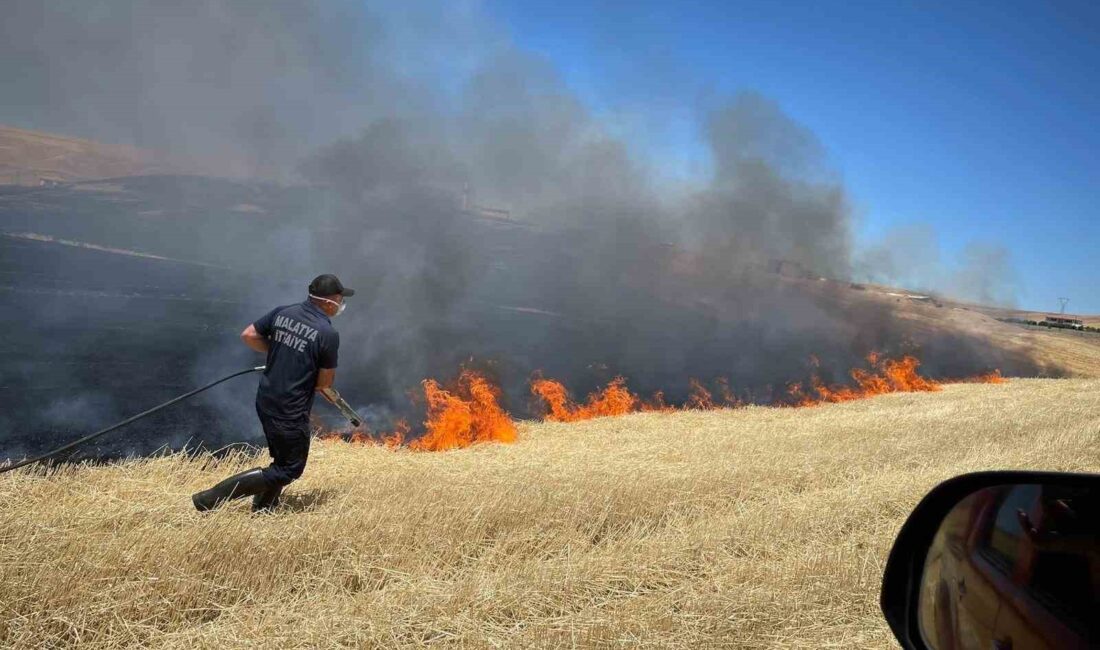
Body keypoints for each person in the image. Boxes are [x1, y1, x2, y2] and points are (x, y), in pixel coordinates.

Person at [192, 274, 352, 513]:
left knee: (280, 462)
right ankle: (210, 499)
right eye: (340, 299)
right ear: (329, 302)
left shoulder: (283, 312)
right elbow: (324, 382)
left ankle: (264, 509)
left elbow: (249, 335)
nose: (341, 305)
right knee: (289, 469)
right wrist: (312, 376)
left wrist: (280, 353)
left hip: (266, 399)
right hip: (290, 409)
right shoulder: (327, 333)